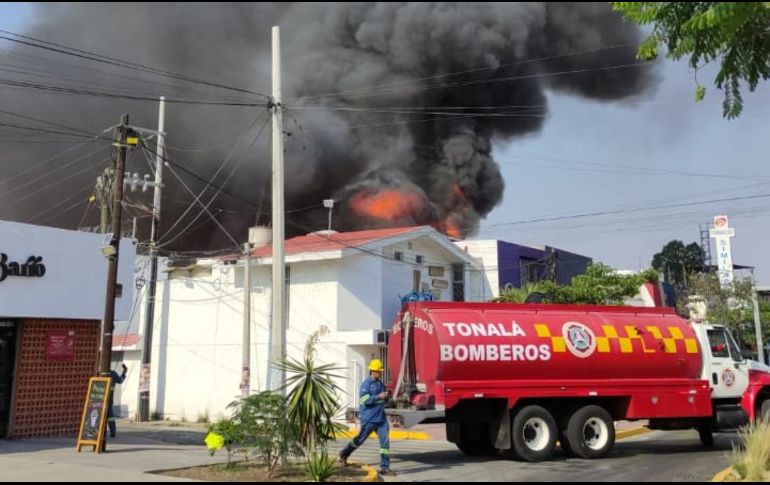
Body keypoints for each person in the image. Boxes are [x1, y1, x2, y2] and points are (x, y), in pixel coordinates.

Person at [339, 359, 395, 476]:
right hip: (369, 419)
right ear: (372, 371)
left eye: (380, 371)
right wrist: (378, 396)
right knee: (359, 440)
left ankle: (384, 467)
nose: (380, 373)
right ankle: (344, 454)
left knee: (385, 444)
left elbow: (383, 399)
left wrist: (386, 397)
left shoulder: (380, 384)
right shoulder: (366, 384)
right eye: (378, 371)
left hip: (381, 420)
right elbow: (365, 400)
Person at [107, 364, 128, 438]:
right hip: (108, 399)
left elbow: (120, 380)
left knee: (108, 416)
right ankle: (112, 431)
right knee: (110, 416)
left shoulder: (101, 373)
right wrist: (124, 373)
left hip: (100, 398)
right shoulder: (112, 373)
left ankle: (112, 431)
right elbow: (120, 380)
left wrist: (124, 372)